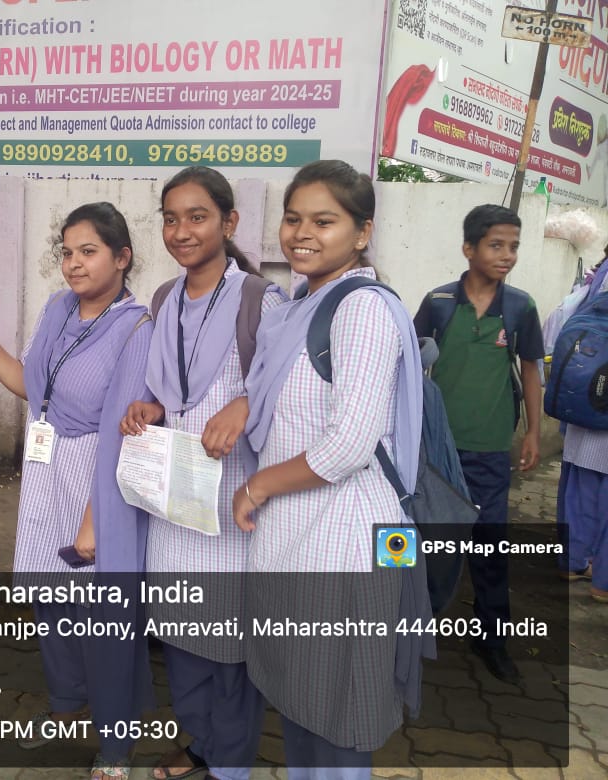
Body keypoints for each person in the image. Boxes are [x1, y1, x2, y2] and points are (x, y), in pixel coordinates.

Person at [236, 159, 431, 776]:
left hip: (354, 541)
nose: (302, 233)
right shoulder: (299, 305)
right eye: (293, 218)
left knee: (343, 711)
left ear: (362, 232)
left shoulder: (362, 310)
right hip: (303, 535)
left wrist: (260, 484)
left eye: (325, 220)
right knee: (303, 698)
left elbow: (350, 444)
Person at [0, 202, 154, 780]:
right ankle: (69, 706)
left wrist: (96, 519)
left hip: (98, 475)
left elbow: (122, 433)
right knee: (51, 599)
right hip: (46, 470)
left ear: (121, 258)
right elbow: (30, 385)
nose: (73, 264)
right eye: (66, 252)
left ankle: (117, 744)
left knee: (102, 616)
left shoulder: (137, 327)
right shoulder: (60, 307)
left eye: (88, 252)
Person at [121, 166, 287, 780]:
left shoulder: (258, 298)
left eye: (198, 216)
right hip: (177, 490)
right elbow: (173, 384)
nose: (182, 230)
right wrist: (152, 407)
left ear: (229, 222)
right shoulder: (165, 298)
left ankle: (231, 761)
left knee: (230, 643)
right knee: (181, 627)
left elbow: (286, 380)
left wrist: (245, 403)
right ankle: (202, 743)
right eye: (171, 218)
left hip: (231, 495)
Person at [414, 204, 543, 685]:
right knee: (416, 542)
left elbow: (530, 367)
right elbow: (407, 364)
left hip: (490, 449)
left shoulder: (521, 307)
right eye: (495, 245)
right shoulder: (439, 302)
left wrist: (531, 430)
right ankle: (401, 630)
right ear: (468, 249)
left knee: (489, 546)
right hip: (436, 451)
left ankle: (492, 640)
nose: (506, 255)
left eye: (513, 246)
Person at [554, 256, 608, 601]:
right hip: (598, 408)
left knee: (579, 493)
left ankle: (572, 562)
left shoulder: (598, 276)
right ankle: (603, 582)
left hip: (584, 404)